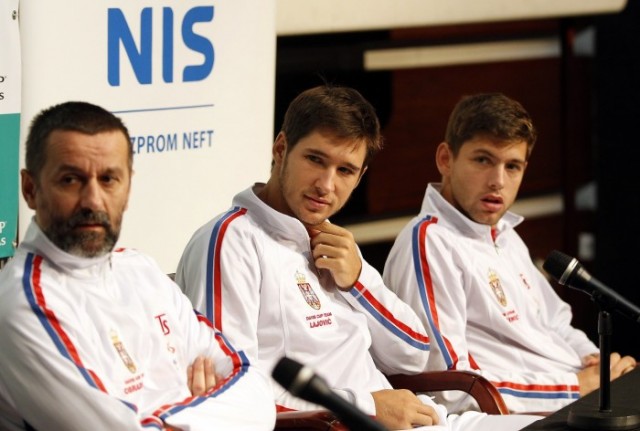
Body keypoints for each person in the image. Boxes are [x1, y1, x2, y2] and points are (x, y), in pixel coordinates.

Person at [176, 85, 540, 430]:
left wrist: (358, 282)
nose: (326, 185)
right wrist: (367, 407)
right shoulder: (231, 241)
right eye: (315, 159)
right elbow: (232, 393)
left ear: (361, 175)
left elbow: (414, 355)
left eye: (345, 170)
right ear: (281, 149)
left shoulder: (332, 240)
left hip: (429, 420)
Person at [0, 101, 276, 431]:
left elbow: (258, 396)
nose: (93, 200)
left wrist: (160, 419)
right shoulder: (22, 305)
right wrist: (206, 404)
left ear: (127, 188)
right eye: (71, 180)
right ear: (30, 189)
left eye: (108, 179)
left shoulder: (141, 270)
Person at [383, 92, 637, 414]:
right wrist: (575, 387)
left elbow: (555, 324)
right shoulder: (429, 242)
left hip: (570, 395)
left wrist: (598, 364)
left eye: (512, 166)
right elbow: (449, 385)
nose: (498, 181)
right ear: (446, 159)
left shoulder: (505, 235)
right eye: (483, 160)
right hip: (528, 414)